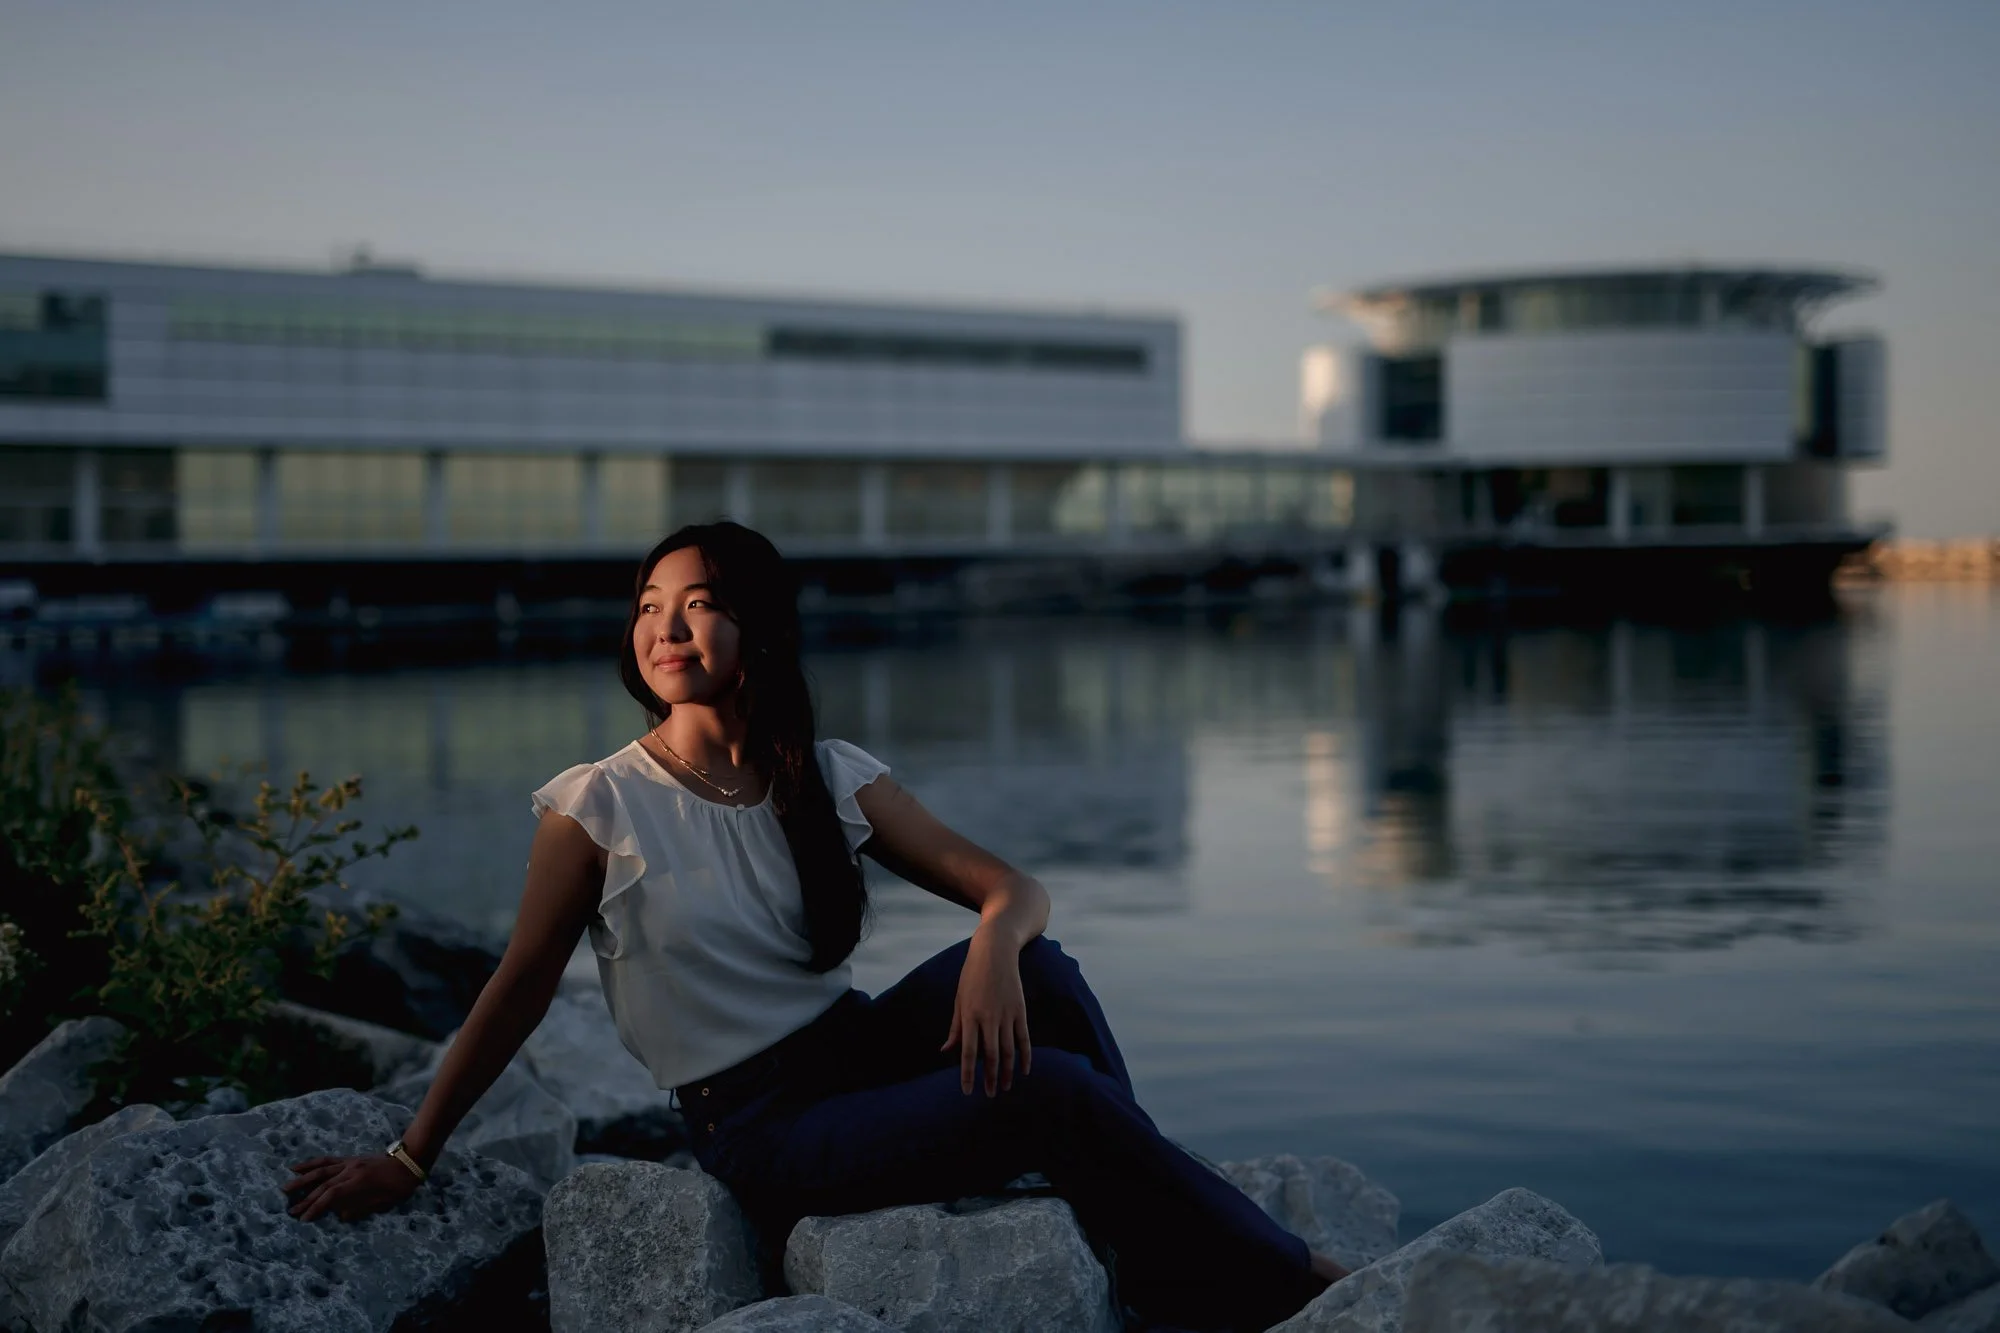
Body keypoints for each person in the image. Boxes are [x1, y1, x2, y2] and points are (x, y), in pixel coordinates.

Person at [280, 521, 1349, 1331]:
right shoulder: (597, 806)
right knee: (1048, 1086)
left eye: (698, 604)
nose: (665, 627)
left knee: (1048, 974)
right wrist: (408, 1156)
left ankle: (1147, 1222)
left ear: (757, 625)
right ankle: (1275, 1274)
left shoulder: (822, 772)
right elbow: (515, 986)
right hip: (760, 1124)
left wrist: (990, 945)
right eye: (650, 605)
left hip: (856, 1052)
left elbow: (1012, 888)